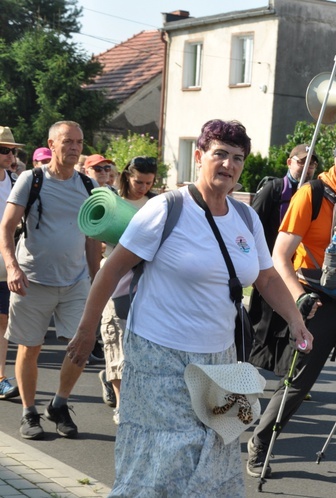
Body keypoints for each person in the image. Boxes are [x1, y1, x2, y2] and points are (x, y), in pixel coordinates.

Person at [65, 119, 313, 496]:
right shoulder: (167, 209)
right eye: (220, 155)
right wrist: (85, 331)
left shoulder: (246, 218)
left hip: (221, 357)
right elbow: (112, 269)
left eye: (237, 158)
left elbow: (266, 279)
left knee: (216, 452)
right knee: (165, 456)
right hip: (159, 356)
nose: (228, 165)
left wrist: (295, 320)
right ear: (199, 156)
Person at [246, 132, 336, 479]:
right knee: (299, 382)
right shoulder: (311, 194)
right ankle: (260, 443)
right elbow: (280, 255)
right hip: (318, 299)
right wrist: (298, 296)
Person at [0, 121, 101, 440]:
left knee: (80, 348)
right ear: (52, 144)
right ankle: (29, 412)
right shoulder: (31, 180)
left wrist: (97, 279)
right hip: (32, 280)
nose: (74, 148)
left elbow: (92, 238)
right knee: (30, 347)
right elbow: (6, 228)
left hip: (75, 283)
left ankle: (59, 403)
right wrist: (13, 268)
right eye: (68, 141)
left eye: (79, 143)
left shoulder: (88, 187)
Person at [248, 144, 319, 375]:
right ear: (289, 162)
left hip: (297, 273)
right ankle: (250, 372)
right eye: (302, 162)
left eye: (313, 164)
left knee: (292, 324)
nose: (308, 168)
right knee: (263, 324)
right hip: (268, 270)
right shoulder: (274, 190)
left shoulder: (315, 195)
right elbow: (251, 225)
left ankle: (288, 375)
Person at [97, 156, 158, 424]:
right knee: (116, 342)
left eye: (148, 182)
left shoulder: (158, 204)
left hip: (148, 283)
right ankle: (122, 407)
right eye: (138, 181)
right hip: (116, 280)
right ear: (127, 176)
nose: (143, 187)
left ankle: (113, 380)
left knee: (141, 345)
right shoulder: (114, 201)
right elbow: (94, 235)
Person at [0, 126, 23, 400]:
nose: (10, 154)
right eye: (4, 150)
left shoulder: (17, 181)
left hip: (6, 260)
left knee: (3, 319)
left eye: (12, 150)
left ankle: (1, 376)